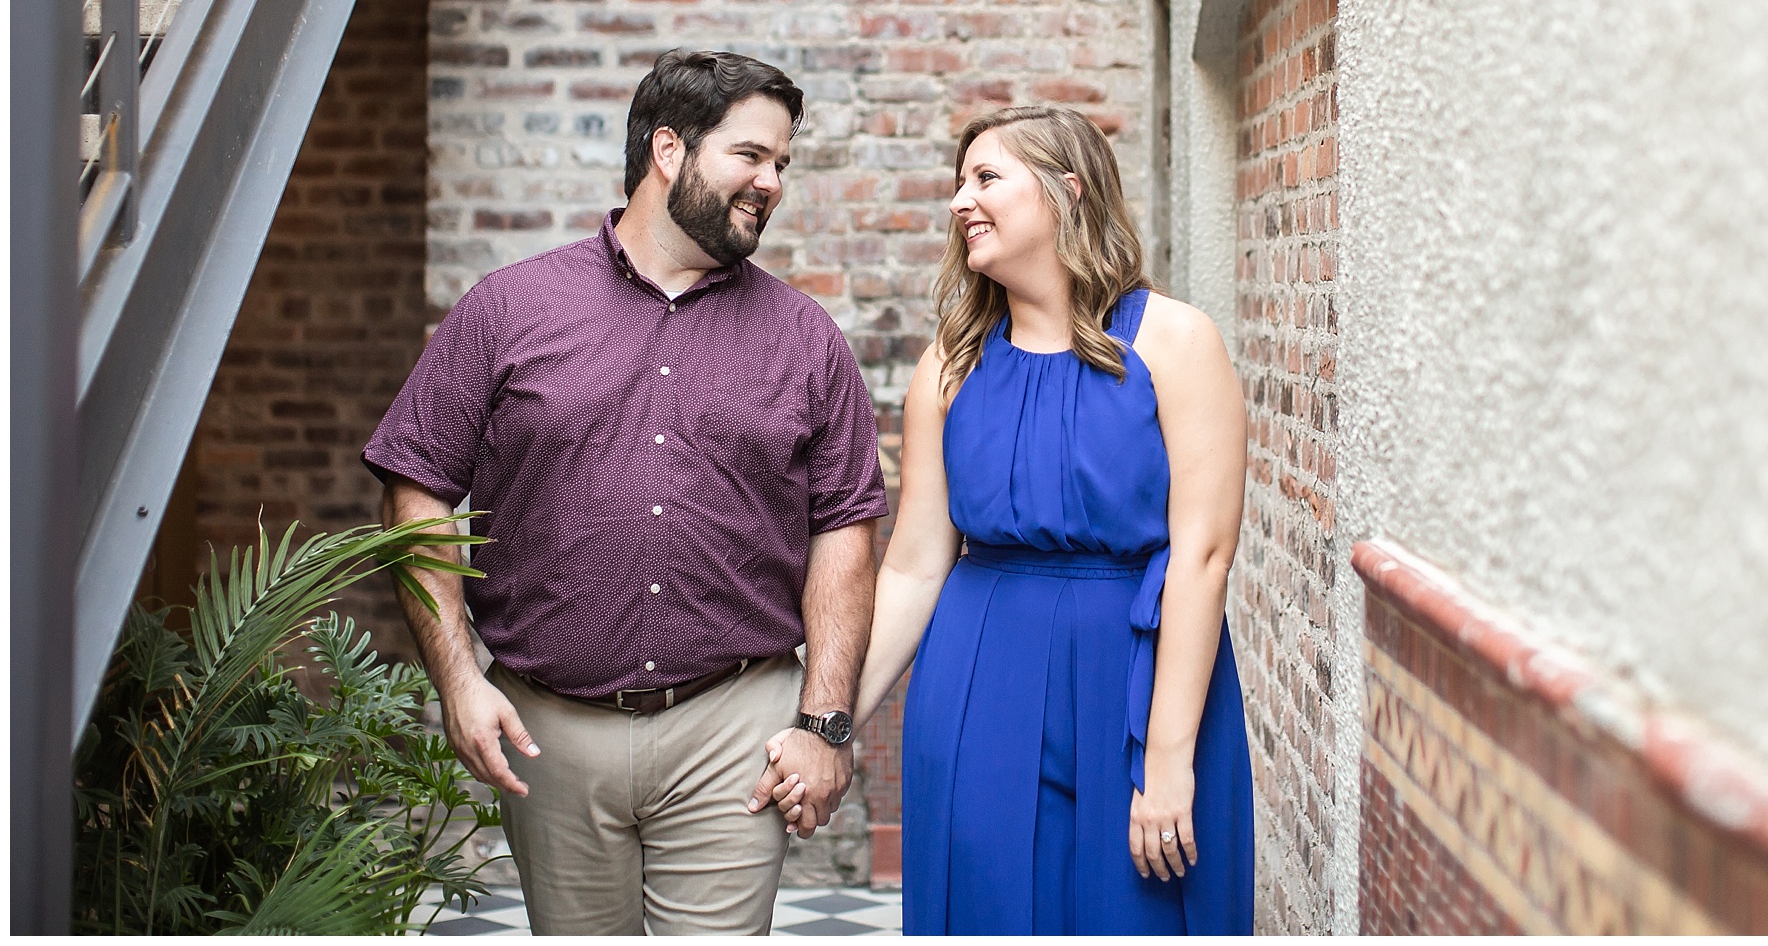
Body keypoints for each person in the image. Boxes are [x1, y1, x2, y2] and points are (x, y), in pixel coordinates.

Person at [365, 50, 890, 936]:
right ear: (669, 150)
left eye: (782, 165)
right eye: (751, 156)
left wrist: (826, 724)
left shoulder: (806, 339)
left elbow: (845, 526)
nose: (771, 182)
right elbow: (415, 486)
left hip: (737, 724)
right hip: (551, 730)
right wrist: (456, 676)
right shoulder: (507, 310)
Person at [751, 105, 1255, 933]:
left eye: (986, 178)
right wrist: (830, 728)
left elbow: (1202, 557)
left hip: (1138, 683)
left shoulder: (1176, 341)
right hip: (979, 681)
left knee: (1142, 911)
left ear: (1068, 191)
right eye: (959, 182)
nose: (960, 201)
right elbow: (913, 566)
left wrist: (1167, 755)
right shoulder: (950, 366)